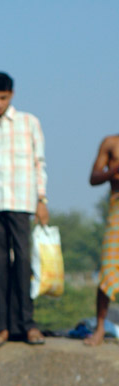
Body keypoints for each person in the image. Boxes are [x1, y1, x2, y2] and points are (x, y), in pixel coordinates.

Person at [0, 73, 48, 350]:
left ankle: (27, 323)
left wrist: (41, 199)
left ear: (11, 95)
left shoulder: (29, 123)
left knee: (24, 260)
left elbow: (39, 163)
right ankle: (0, 326)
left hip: (22, 201)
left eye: (2, 98)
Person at [85, 134, 119, 347]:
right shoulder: (111, 143)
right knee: (108, 266)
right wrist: (114, 170)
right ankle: (99, 329)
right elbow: (94, 177)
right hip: (117, 208)